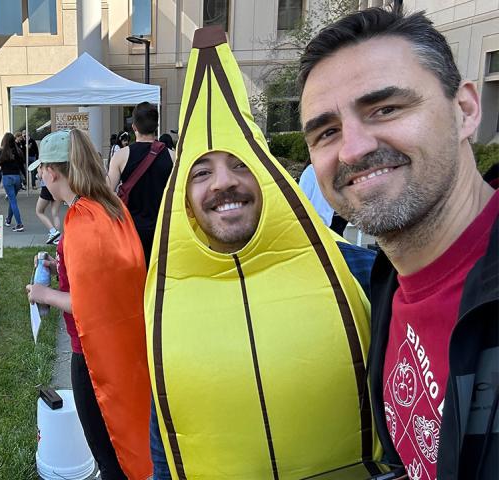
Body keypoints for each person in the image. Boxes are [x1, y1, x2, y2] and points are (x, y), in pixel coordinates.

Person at [147, 26, 379, 479]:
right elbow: (166, 432)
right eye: (201, 173)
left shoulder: (354, 271)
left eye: (240, 165)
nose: (223, 183)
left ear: (267, 176)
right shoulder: (162, 300)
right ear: (183, 200)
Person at [299, 7, 498, 479]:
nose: (352, 149)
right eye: (327, 132)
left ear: (465, 110)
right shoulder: (389, 281)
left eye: (385, 109)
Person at [25, 128, 153, 480]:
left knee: (108, 456)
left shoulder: (80, 220)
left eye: (41, 171)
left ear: (53, 172)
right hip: (127, 348)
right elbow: (104, 278)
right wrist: (59, 265)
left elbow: (87, 303)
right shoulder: (110, 208)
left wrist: (43, 294)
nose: (40, 177)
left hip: (94, 356)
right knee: (131, 440)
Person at [107, 103, 173, 265]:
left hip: (131, 229)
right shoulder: (172, 156)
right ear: (156, 126)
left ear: (134, 126)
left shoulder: (121, 156)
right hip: (163, 229)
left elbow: (107, 193)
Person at [0, 132, 26, 232]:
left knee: (12, 201)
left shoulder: (2, 152)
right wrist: (24, 178)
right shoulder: (18, 151)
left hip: (7, 177)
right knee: (13, 200)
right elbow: (22, 166)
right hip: (17, 178)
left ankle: (19, 224)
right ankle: (8, 219)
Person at [33, 138, 63, 243]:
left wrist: (37, 174)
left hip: (46, 188)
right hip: (57, 186)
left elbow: (40, 176)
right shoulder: (58, 160)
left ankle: (53, 232)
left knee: (39, 211)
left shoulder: (43, 162)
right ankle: (57, 237)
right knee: (55, 213)